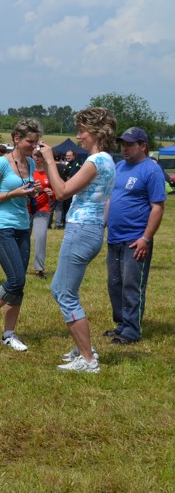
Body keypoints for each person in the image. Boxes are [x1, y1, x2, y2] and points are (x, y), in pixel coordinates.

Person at [37, 108, 118, 373]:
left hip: (81, 230)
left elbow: (62, 193)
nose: (78, 136)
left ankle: (88, 358)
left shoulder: (96, 161)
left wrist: (49, 160)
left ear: (95, 132)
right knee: (63, 289)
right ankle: (82, 348)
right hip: (88, 229)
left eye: (82, 131)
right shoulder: (105, 160)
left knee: (63, 292)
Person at [0, 118, 42, 352]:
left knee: (19, 285)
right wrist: (12, 194)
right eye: (29, 142)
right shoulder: (0, 163)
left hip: (23, 226)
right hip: (1, 227)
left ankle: (9, 334)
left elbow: (23, 191)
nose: (33, 146)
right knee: (15, 280)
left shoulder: (31, 163)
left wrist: (32, 192)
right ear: (16, 139)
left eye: (36, 142)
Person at [103, 127, 166, 345]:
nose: (124, 148)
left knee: (132, 285)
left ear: (143, 146)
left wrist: (146, 238)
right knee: (115, 284)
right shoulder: (120, 166)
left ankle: (131, 330)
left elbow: (157, 206)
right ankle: (121, 324)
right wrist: (104, 222)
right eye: (122, 144)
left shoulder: (151, 170)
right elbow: (111, 198)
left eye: (129, 144)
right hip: (115, 237)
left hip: (135, 239)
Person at [29, 150, 54, 279]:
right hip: (26, 208)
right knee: (23, 238)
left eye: (40, 156)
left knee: (40, 237)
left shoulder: (49, 173)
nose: (37, 158)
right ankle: (20, 265)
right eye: (35, 155)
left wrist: (51, 193)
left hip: (42, 209)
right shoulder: (27, 170)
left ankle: (39, 269)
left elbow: (57, 193)